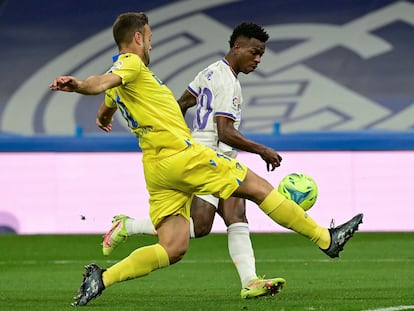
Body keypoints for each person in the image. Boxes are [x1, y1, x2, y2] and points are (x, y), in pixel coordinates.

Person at [49, 12, 363, 307]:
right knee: (257, 188)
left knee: (174, 246)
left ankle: (101, 278)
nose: (152, 43)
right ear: (137, 38)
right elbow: (99, 84)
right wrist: (77, 85)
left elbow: (109, 102)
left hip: (157, 168)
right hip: (184, 156)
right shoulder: (130, 64)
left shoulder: (130, 79)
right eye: (150, 36)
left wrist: (104, 116)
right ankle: (326, 239)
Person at [100, 22, 288, 299]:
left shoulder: (209, 71)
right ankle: (128, 226)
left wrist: (170, 129)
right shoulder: (227, 81)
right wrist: (262, 150)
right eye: (255, 52)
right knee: (199, 226)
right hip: (207, 157)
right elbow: (225, 130)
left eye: (262, 54)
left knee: (235, 215)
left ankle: (250, 281)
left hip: (211, 153)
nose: (258, 59)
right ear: (237, 46)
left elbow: (182, 103)